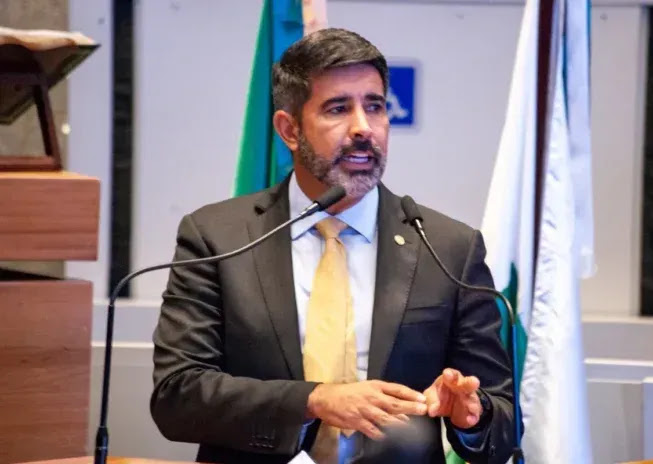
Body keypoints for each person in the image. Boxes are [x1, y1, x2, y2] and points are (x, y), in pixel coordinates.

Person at [151, 28, 516, 464]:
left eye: (375, 107)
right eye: (338, 109)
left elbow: (504, 422)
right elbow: (177, 396)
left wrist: (473, 416)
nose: (363, 128)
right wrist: (315, 400)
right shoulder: (217, 237)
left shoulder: (448, 247)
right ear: (289, 130)